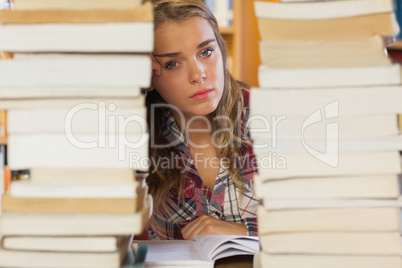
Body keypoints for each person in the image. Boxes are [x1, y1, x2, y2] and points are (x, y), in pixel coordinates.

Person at [145, 0, 258, 240]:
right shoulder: (137, 132)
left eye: (206, 52)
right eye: (172, 64)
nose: (198, 75)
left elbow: (326, 223)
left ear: (221, 48)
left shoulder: (267, 114)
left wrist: (246, 232)